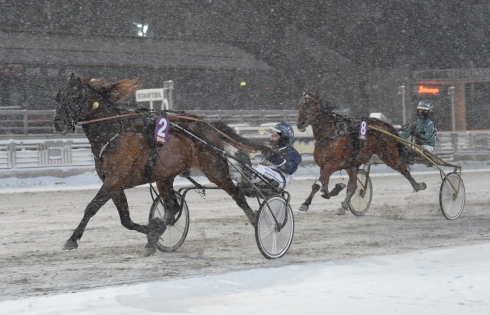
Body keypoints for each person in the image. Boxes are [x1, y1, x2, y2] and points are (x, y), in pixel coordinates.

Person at [242, 122, 302, 190]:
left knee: (262, 169)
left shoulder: (291, 151)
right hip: (268, 177)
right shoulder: (273, 149)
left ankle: (247, 182)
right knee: (249, 168)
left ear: (284, 138)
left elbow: (290, 169)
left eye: (276, 134)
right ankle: (245, 181)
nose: (272, 136)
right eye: (272, 133)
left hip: (281, 180)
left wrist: (273, 157)